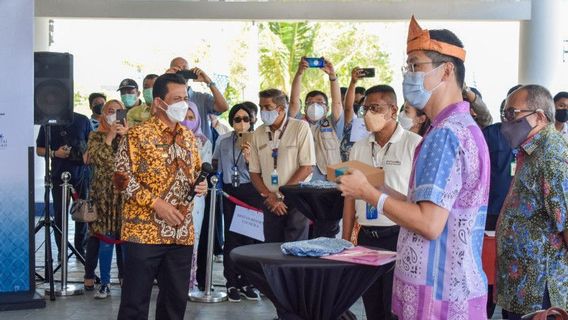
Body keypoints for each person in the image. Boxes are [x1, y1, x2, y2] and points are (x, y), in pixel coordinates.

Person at [337, 16, 490, 319]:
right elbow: (435, 208)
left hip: (437, 296)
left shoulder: (445, 134)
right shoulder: (459, 127)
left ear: (446, 70)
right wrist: (381, 187)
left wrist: (368, 193)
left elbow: (429, 224)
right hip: (450, 289)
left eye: (416, 66)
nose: (409, 75)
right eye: (407, 67)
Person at [115, 73, 208, 320]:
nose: (183, 104)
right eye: (176, 98)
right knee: (135, 303)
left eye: (185, 98)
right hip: (143, 232)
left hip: (181, 233)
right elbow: (121, 179)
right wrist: (156, 204)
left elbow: (197, 173)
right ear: (158, 102)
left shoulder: (189, 137)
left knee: (174, 304)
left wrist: (202, 185)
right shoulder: (137, 135)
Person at [342, 85, 421, 320]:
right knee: (372, 306)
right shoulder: (359, 147)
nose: (368, 114)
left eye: (375, 108)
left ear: (393, 110)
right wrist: (346, 241)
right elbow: (349, 196)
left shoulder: (414, 144)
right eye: (365, 109)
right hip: (367, 238)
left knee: (395, 308)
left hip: (399, 236)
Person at [496, 85, 568, 319]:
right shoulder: (530, 151)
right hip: (520, 287)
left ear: (538, 116)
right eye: (504, 114)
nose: (506, 122)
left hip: (541, 291)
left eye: (511, 114)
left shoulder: (552, 155)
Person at [249, 89, 315, 243]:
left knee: (295, 249)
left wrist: (281, 195)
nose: (263, 112)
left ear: (281, 108)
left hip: (296, 199)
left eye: (267, 108)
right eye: (261, 107)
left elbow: (306, 167)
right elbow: (254, 172)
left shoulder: (300, 127)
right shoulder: (258, 133)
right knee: (271, 250)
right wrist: (270, 196)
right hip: (270, 200)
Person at [213, 102, 263, 302]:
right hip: (230, 193)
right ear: (232, 121)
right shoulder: (223, 141)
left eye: (245, 119)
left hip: (251, 192)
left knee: (251, 239)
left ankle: (249, 282)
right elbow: (216, 162)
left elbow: (264, 170)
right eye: (237, 119)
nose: (241, 123)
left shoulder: (259, 140)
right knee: (232, 240)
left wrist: (250, 159)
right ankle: (232, 282)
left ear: (252, 121)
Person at [481, 84, 521, 319]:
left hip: (520, 221)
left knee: (512, 275)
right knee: (488, 274)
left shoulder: (539, 141)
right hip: (492, 215)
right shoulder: (491, 134)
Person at [85, 99, 128, 299]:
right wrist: (110, 136)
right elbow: (101, 160)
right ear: (103, 114)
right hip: (102, 196)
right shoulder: (95, 136)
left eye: (118, 111)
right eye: (110, 111)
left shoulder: (129, 137)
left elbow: (131, 162)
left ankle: (128, 280)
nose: (113, 115)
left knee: (126, 240)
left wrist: (124, 136)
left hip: (125, 195)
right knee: (105, 240)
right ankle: (105, 282)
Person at [36, 111, 92, 259]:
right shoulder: (48, 122)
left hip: (81, 175)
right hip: (58, 175)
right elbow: (39, 149)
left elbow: (92, 145)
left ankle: (81, 249)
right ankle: (62, 250)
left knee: (82, 215)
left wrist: (84, 153)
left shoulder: (83, 120)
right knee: (60, 215)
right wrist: (55, 153)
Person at [289, 56, 343, 181]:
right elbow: (293, 102)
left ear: (327, 108)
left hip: (331, 180)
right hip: (303, 179)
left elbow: (337, 103)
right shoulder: (298, 123)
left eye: (319, 102)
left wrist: (332, 76)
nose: (315, 105)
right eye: (310, 102)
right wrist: (299, 73)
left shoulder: (333, 123)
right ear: (305, 106)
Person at [168, 57, 229, 142]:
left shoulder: (202, 98)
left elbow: (224, 107)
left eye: (185, 68)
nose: (181, 70)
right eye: (177, 68)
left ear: (190, 72)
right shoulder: (166, 97)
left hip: (202, 151)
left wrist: (208, 81)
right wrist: (165, 79)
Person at [339, 68, 367, 162]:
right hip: (347, 170)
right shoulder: (353, 123)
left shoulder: (381, 128)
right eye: (364, 107)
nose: (368, 110)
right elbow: (347, 108)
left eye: (373, 107)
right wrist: (353, 82)